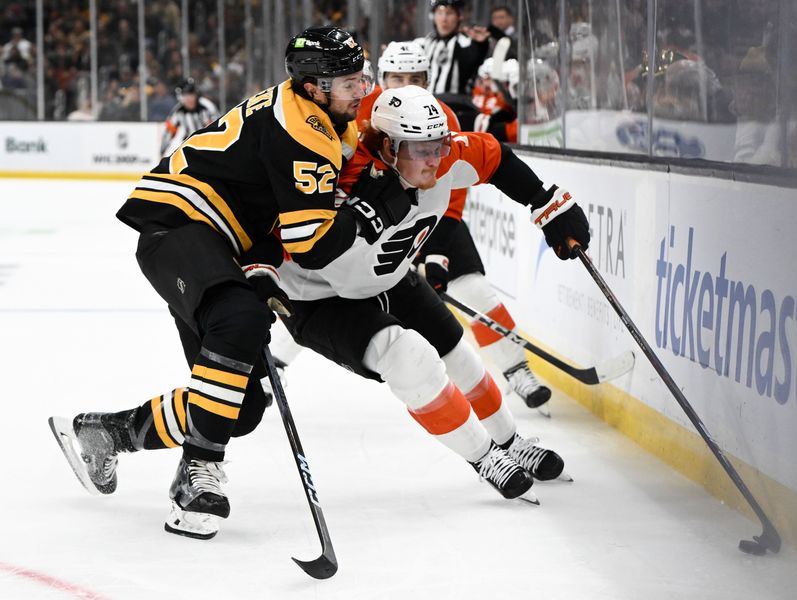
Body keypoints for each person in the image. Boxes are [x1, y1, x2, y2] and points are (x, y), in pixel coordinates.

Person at [48, 26, 368, 540]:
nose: (362, 90)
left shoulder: (325, 124)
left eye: (362, 77)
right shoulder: (305, 128)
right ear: (313, 86)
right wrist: (377, 209)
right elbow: (312, 244)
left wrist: (262, 267)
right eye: (350, 82)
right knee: (239, 321)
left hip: (220, 244)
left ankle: (108, 433)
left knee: (239, 408)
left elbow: (270, 216)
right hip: (179, 225)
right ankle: (196, 475)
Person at [277, 85, 591, 502]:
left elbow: (495, 155)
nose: (435, 160)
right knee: (408, 358)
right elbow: (278, 226)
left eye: (439, 144)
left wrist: (545, 202)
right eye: (421, 150)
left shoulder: (445, 156)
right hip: (318, 295)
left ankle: (511, 442)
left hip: (390, 276)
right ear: (388, 148)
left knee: (456, 351)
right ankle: (484, 457)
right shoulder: (336, 169)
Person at [271, 41, 553, 411]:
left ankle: (516, 368)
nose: (410, 84)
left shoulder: (439, 116)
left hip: (432, 218)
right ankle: (275, 363)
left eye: (417, 77)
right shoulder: (354, 117)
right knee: (326, 290)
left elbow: (451, 185)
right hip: (375, 223)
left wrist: (433, 251)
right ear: (381, 79)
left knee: (474, 289)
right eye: (398, 77)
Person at [416, 0, 491, 96]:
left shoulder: (465, 43)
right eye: (439, 13)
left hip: (457, 107)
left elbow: (473, 63)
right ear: (433, 17)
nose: (444, 19)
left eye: (449, 13)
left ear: (459, 17)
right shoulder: (425, 43)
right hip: (427, 104)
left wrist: (480, 45)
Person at [160, 77, 220, 156]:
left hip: (210, 147)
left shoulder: (207, 107)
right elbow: (168, 133)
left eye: (192, 94)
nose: (190, 99)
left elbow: (219, 128)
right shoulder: (178, 112)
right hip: (191, 148)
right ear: (180, 97)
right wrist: (162, 153)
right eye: (186, 96)